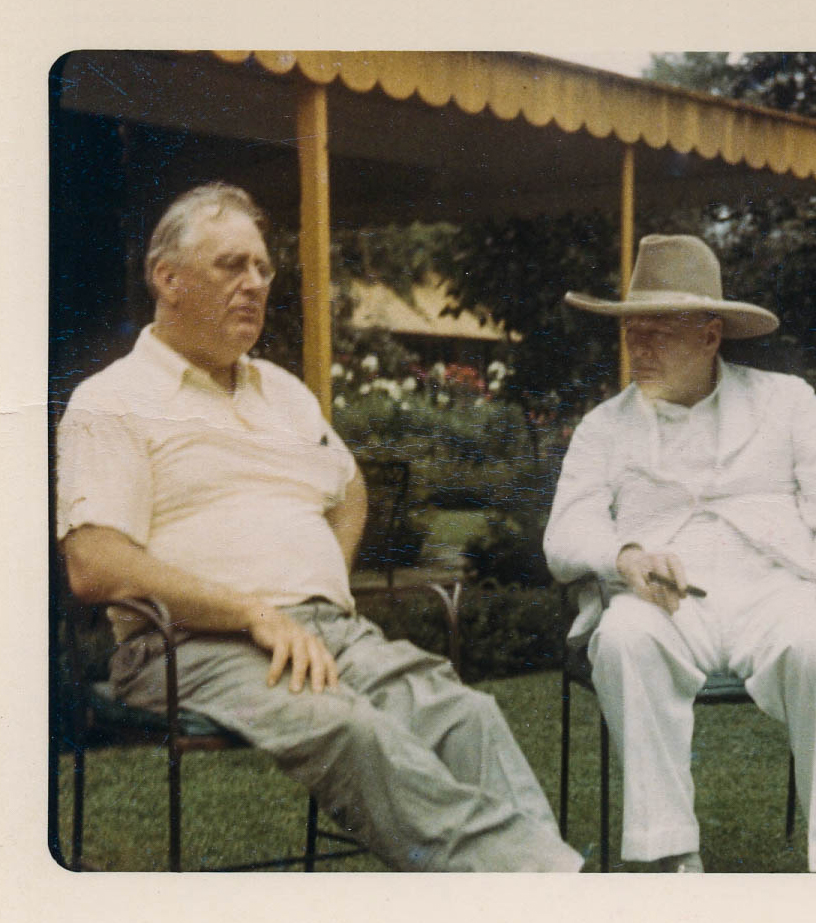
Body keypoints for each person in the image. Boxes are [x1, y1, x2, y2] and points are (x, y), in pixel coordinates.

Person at [55, 182, 582, 873]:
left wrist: (324, 582)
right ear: (167, 278)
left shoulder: (283, 392)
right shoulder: (113, 401)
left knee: (465, 715)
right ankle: (555, 889)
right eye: (232, 265)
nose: (254, 284)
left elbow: (348, 484)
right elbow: (95, 563)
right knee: (348, 727)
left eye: (263, 269)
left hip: (320, 630)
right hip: (189, 646)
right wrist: (251, 611)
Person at [543, 235, 816, 873]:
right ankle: (670, 857)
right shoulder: (604, 427)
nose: (638, 349)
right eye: (631, 332)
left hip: (777, 590)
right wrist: (626, 554)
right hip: (666, 599)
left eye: (658, 333)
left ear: (710, 335)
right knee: (623, 641)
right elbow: (565, 530)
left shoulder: (786, 401)